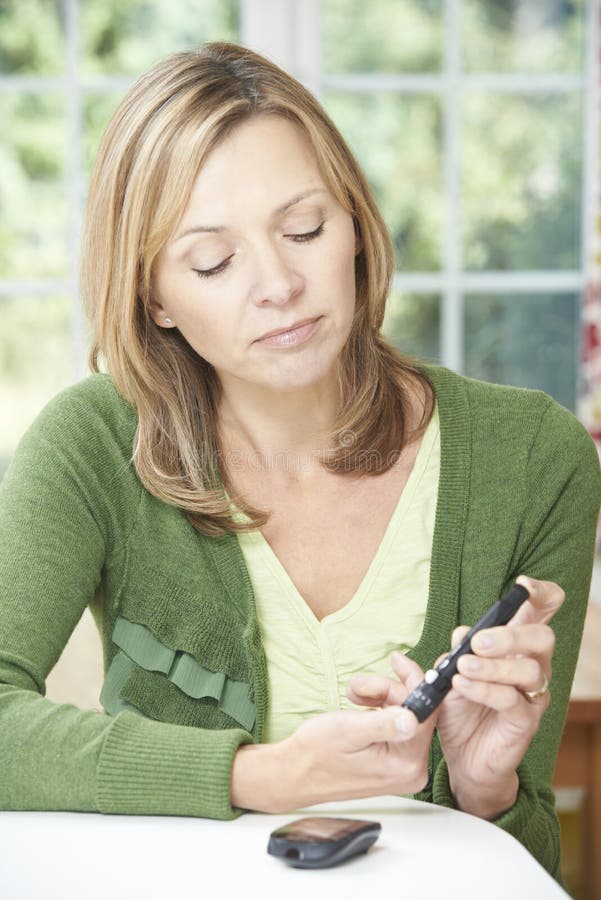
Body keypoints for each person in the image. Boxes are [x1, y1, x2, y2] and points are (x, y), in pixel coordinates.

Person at [0, 41, 599, 887]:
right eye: (212, 260)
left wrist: (484, 784)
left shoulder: (536, 461)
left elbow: (524, 867)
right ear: (154, 298)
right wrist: (262, 777)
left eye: (304, 229)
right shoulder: (91, 445)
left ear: (354, 226)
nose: (278, 283)